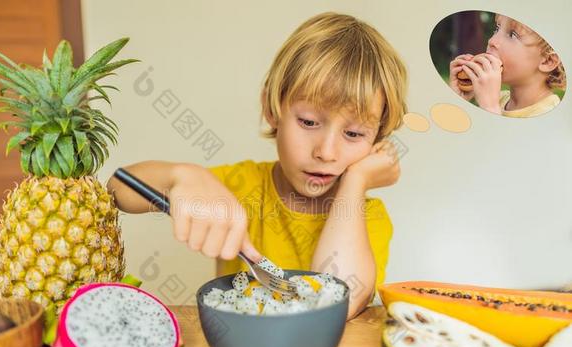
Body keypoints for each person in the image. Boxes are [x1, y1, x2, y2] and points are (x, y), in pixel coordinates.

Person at [107, 12, 407, 319]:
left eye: (354, 134)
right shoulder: (239, 185)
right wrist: (180, 177)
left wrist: (356, 180)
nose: (326, 152)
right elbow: (117, 189)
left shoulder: (368, 217)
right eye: (308, 121)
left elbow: (337, 302)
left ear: (375, 142)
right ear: (271, 108)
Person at [449, 14, 566, 118]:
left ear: (548, 61)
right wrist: (458, 103)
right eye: (497, 28)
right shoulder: (498, 98)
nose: (492, 41)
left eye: (512, 35)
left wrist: (490, 108)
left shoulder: (549, 115)